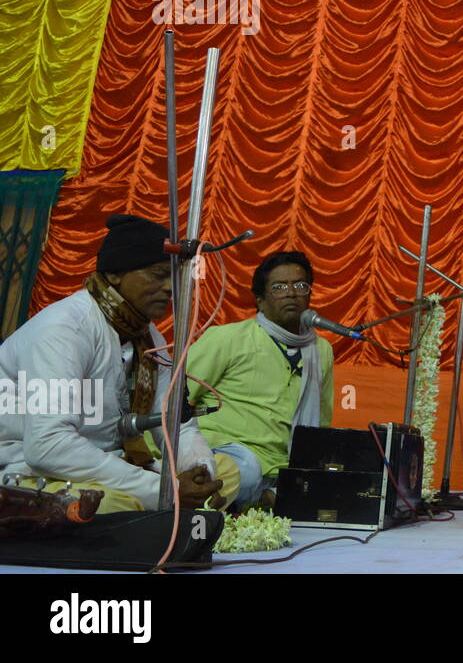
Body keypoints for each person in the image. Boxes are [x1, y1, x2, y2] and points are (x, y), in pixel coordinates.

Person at [0, 214, 231, 512]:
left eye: (174, 277)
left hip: (108, 462)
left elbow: (176, 425)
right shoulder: (64, 330)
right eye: (159, 274)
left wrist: (198, 473)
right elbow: (47, 446)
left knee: (227, 469)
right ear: (114, 274)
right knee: (107, 504)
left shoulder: (149, 337)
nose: (170, 288)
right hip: (27, 468)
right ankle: (167, 506)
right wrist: (165, 490)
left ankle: (176, 503)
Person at [185, 250, 334, 509]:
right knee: (246, 467)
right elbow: (173, 399)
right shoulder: (226, 338)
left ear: (310, 294)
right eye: (279, 287)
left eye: (300, 285)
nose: (291, 293)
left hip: (283, 465)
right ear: (260, 300)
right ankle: (266, 498)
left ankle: (269, 496)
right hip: (226, 452)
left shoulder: (321, 350)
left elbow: (320, 421)